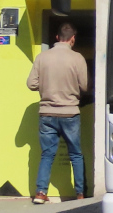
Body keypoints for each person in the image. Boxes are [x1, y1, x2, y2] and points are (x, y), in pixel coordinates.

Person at [26, 23, 89, 203]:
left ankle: (40, 192)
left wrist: (47, 85)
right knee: (75, 154)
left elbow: (31, 84)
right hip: (70, 113)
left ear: (56, 37)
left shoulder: (42, 57)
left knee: (47, 154)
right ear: (73, 38)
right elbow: (85, 86)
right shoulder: (78, 58)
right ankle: (80, 193)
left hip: (46, 113)